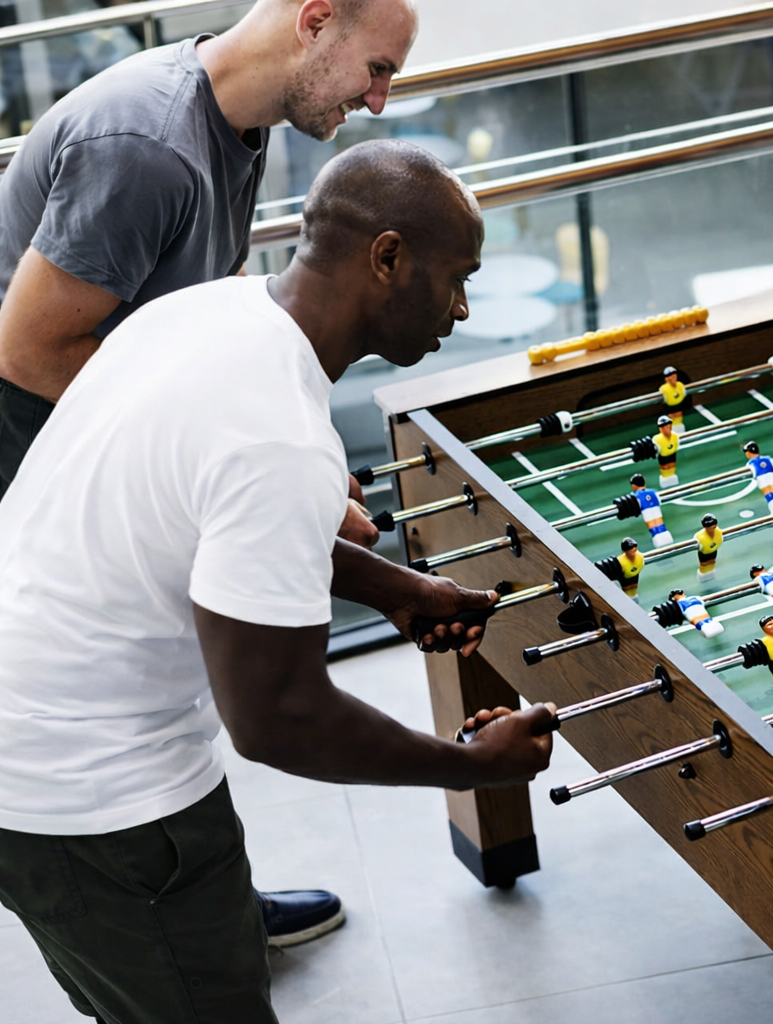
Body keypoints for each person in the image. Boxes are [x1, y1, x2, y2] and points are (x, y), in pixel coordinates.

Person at [0, 140, 555, 1023]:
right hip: (96, 798)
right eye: (457, 277)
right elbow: (277, 718)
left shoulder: (205, 315)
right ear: (387, 257)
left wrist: (399, 592)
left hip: (27, 744)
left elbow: (212, 530)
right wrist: (469, 766)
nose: (461, 305)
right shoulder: (283, 437)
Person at [0, 0, 420, 946]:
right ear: (317, 21)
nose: (382, 100)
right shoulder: (147, 147)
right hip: (37, 423)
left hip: (96, 415)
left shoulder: (240, 125)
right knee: (119, 706)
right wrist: (238, 464)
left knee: (206, 673)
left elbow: (207, 335)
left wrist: (283, 474)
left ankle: (209, 901)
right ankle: (170, 917)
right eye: (379, 68)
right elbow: (28, 352)